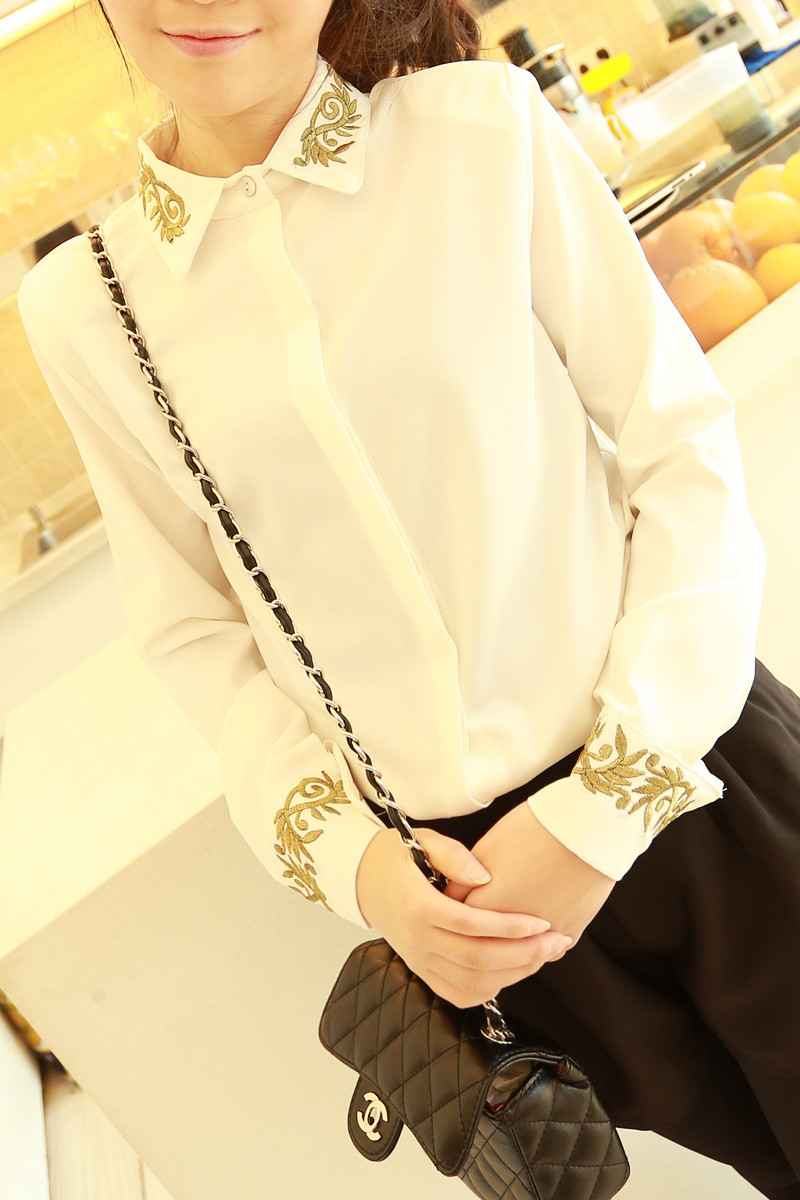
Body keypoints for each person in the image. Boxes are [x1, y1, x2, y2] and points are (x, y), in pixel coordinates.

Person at [16, 1, 800, 1194]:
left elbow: (679, 453)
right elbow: (193, 631)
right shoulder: (88, 304)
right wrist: (357, 869)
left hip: (693, 785)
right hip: (482, 910)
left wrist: (602, 810)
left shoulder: (477, 132)